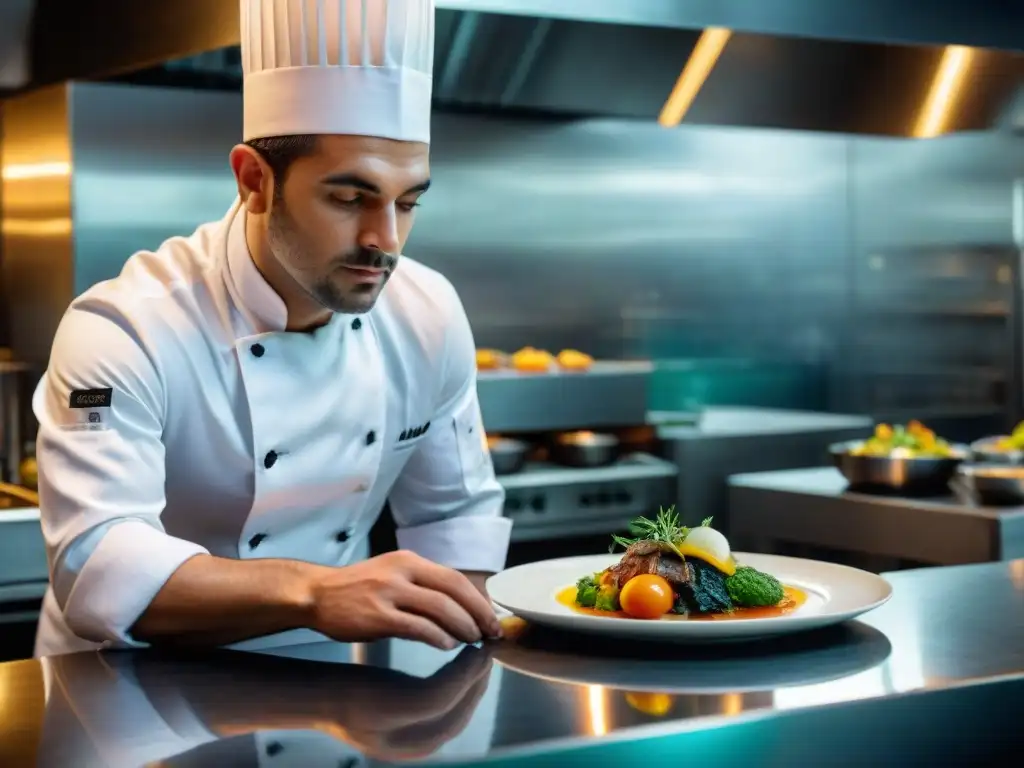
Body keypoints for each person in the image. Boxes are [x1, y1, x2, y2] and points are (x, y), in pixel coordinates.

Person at [30, 0, 511, 658]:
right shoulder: (125, 328)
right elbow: (101, 570)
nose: (385, 240)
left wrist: (446, 690)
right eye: (349, 199)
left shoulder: (427, 313)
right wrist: (316, 594)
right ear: (254, 180)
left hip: (336, 699)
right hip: (124, 708)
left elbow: (455, 521)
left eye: (408, 202)